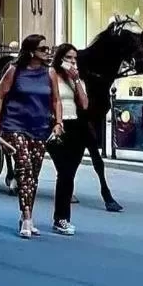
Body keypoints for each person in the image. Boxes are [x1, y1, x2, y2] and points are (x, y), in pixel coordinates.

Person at [0, 34, 63, 239]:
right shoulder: (15, 70)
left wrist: (58, 122)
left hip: (40, 128)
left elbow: (56, 100)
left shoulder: (50, 73)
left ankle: (26, 214)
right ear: (31, 52)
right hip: (15, 125)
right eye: (43, 49)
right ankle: (27, 216)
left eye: (48, 49)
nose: (47, 52)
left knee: (34, 175)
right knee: (24, 167)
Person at [48, 44, 88, 236]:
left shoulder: (75, 78)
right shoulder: (52, 74)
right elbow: (53, 99)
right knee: (63, 171)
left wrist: (76, 79)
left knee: (70, 173)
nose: (73, 61)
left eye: (75, 58)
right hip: (57, 125)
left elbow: (84, 103)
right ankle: (60, 218)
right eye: (69, 57)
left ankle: (63, 217)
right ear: (60, 58)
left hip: (75, 125)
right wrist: (57, 121)